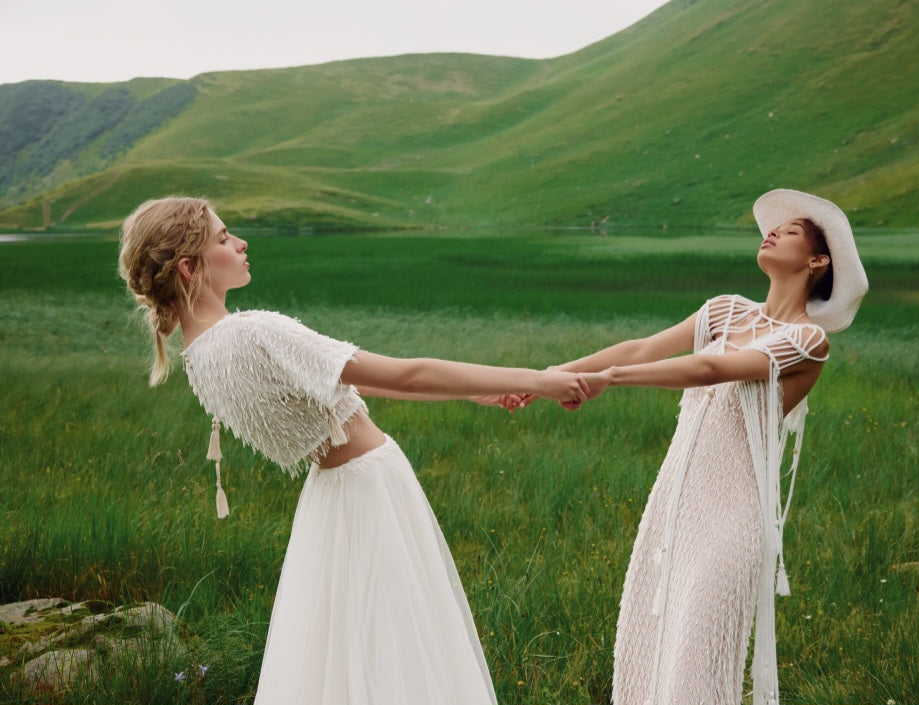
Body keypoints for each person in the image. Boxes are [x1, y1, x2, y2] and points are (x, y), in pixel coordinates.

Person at [116, 196, 596, 705]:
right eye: (222, 238)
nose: (240, 243)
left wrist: (475, 391)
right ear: (190, 268)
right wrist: (538, 380)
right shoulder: (253, 331)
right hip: (369, 493)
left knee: (352, 658)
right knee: (396, 651)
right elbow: (404, 371)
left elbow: (339, 389)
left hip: (332, 501)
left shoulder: (201, 357)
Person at [538, 189, 867, 705]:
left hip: (733, 516)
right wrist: (547, 377)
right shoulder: (724, 311)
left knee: (698, 656)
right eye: (773, 227)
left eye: (792, 231)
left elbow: (711, 369)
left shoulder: (809, 340)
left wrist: (610, 379)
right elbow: (642, 347)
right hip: (675, 506)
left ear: (818, 260)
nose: (774, 231)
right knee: (650, 646)